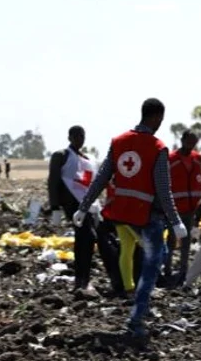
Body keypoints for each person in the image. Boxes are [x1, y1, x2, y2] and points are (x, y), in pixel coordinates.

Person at [74, 98, 188, 338]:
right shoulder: (158, 148)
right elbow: (163, 189)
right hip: (146, 216)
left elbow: (101, 178)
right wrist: (176, 221)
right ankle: (136, 320)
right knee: (151, 266)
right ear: (157, 117)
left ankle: (133, 299)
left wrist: (83, 207)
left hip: (120, 213)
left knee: (136, 252)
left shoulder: (118, 143)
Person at [47, 126, 122, 294]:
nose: (79, 139)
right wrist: (55, 207)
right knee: (86, 238)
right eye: (76, 136)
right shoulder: (61, 156)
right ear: (70, 137)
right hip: (72, 205)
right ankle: (82, 281)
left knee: (100, 239)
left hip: (89, 205)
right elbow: (53, 180)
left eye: (82, 136)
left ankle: (112, 280)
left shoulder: (87, 159)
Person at [165, 130, 201, 286]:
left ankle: (183, 270)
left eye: (194, 142)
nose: (191, 144)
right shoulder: (171, 159)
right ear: (182, 140)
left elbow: (198, 180)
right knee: (171, 239)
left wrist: (200, 205)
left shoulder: (197, 159)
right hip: (174, 206)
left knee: (186, 240)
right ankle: (166, 268)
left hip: (191, 206)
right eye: (189, 141)